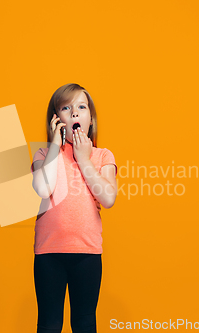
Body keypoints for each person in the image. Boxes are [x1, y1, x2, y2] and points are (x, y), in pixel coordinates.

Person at [30, 83, 118, 333]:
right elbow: (42, 189)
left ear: (91, 119)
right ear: (56, 120)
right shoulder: (44, 153)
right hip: (48, 252)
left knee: (84, 322)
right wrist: (55, 147)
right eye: (66, 108)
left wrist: (83, 158)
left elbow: (109, 198)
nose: (75, 113)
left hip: (87, 252)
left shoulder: (102, 156)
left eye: (81, 107)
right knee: (49, 324)